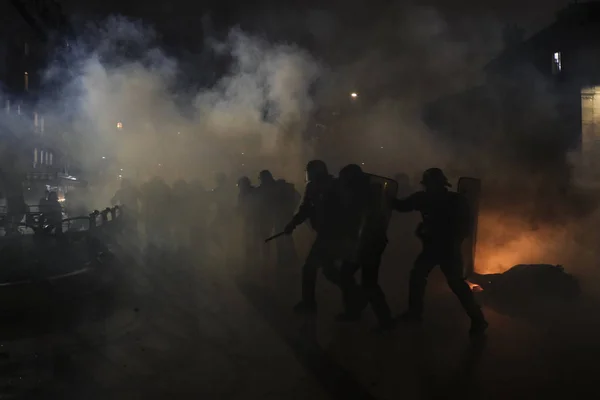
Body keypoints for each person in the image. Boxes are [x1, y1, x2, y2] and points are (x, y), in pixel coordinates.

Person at [392, 167, 488, 336]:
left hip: (448, 249)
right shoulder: (425, 198)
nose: (429, 187)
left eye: (431, 183)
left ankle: (478, 320)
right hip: (433, 248)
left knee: (456, 284)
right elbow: (401, 206)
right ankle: (415, 313)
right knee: (418, 276)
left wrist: (454, 239)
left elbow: (466, 226)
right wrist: (385, 196)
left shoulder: (454, 200)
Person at [321, 164, 395, 331]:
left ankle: (385, 320)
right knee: (347, 276)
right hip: (362, 242)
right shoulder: (365, 192)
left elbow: (364, 219)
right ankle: (355, 310)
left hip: (369, 243)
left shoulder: (366, 194)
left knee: (368, 282)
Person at [284, 160, 336, 314]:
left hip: (328, 234)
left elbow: (305, 209)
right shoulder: (334, 184)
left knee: (309, 268)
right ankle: (354, 293)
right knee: (329, 270)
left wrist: (292, 224)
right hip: (334, 232)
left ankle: (309, 303)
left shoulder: (314, 186)